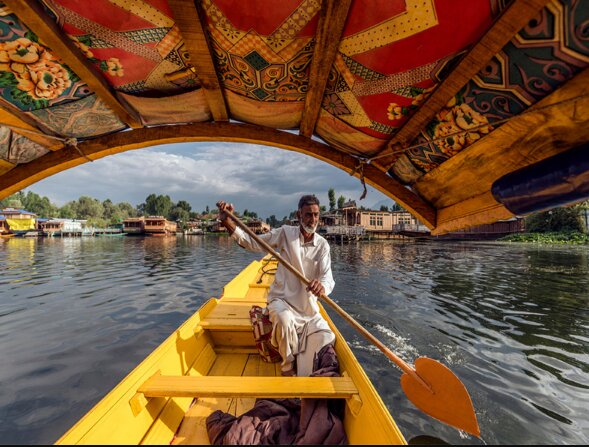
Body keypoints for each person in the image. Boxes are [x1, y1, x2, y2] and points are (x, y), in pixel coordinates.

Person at [217, 195, 336, 377]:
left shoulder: (322, 245)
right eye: (308, 215)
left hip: (308, 309)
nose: (313, 220)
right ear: (299, 215)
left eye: (316, 215)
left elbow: (327, 277)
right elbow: (252, 243)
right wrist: (227, 222)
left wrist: (322, 287)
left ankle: (305, 372)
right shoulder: (285, 234)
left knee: (326, 337)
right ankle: (288, 367)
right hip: (282, 301)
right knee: (284, 320)